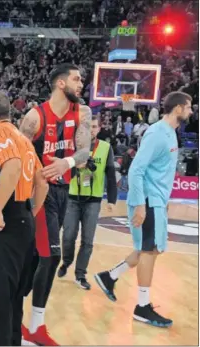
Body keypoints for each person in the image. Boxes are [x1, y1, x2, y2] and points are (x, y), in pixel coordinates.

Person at [94, 91, 192, 327]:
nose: (191, 111)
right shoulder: (158, 133)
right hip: (147, 200)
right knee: (149, 251)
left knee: (148, 248)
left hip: (156, 200)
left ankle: (110, 276)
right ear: (177, 108)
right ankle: (142, 306)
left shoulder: (169, 133)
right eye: (188, 107)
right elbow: (136, 170)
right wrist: (140, 205)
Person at [18, 63, 91, 346]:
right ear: (61, 83)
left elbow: (84, 152)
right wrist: (35, 180)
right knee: (51, 256)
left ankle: (21, 313)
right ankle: (35, 327)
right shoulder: (35, 118)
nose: (81, 83)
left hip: (64, 192)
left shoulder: (82, 113)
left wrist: (67, 162)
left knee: (39, 256)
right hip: (40, 193)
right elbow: (19, 154)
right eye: (76, 79)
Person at [0, 91, 49, 346]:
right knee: (15, 297)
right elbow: (42, 183)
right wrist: (30, 213)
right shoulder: (25, 140)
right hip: (24, 221)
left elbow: (12, 166)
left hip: (7, 221)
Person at [57, 114, 118, 290]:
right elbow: (63, 172)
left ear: (99, 129)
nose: (91, 130)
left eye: (94, 127)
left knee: (88, 240)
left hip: (94, 200)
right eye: (88, 126)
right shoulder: (73, 147)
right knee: (68, 236)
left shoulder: (106, 147)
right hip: (73, 198)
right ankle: (66, 261)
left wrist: (112, 199)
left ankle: (80, 274)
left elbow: (111, 174)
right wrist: (77, 167)